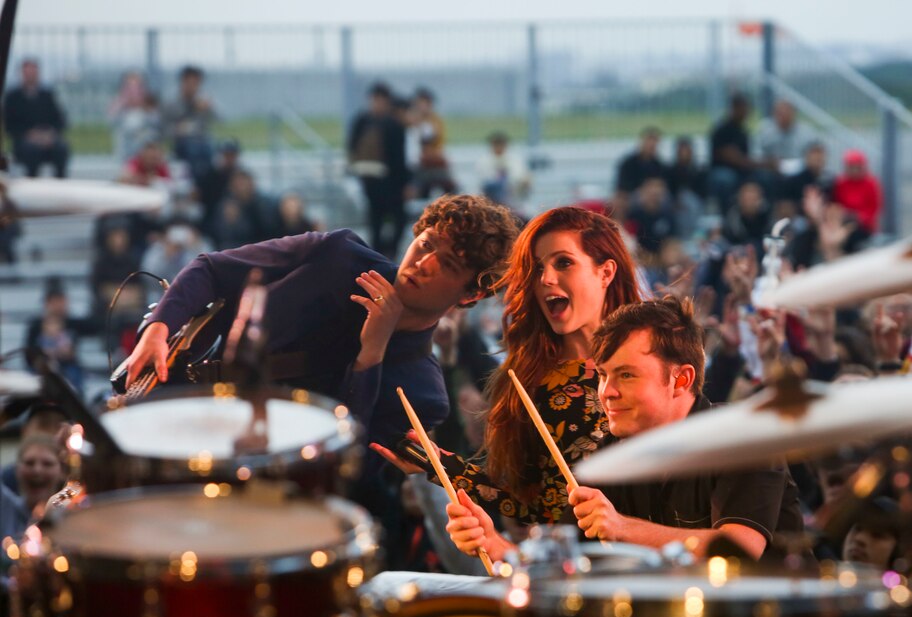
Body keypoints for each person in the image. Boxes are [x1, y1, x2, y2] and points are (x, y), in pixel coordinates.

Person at [121, 194, 520, 475]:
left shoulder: (424, 394)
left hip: (248, 478)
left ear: (472, 295)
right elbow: (212, 269)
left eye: (447, 264)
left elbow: (349, 470)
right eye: (425, 243)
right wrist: (159, 327)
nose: (423, 263)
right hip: (178, 404)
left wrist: (371, 357)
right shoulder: (338, 253)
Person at [444, 296, 802, 561]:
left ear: (681, 380)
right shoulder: (612, 451)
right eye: (602, 375)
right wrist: (494, 544)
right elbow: (561, 567)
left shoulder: (745, 437)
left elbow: (738, 549)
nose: (606, 392)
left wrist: (622, 527)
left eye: (626, 375)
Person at [373, 206, 643, 527]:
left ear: (606, 272)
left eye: (564, 263)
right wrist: (440, 465)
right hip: (575, 564)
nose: (546, 279)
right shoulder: (532, 378)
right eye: (537, 268)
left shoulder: (653, 356)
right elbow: (539, 506)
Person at [348, 82, 410, 258]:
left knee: (377, 220)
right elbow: (399, 158)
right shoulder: (394, 124)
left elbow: (352, 147)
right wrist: (405, 183)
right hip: (386, 182)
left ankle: (378, 255)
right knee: (393, 218)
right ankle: (385, 253)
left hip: (371, 179)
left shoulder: (361, 120)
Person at [3, 58, 69, 178]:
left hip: (47, 138)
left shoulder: (47, 95)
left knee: (62, 148)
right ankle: (32, 184)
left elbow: (60, 119)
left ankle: (61, 184)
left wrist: (50, 134)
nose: (31, 76)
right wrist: (29, 135)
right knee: (31, 151)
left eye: (33, 72)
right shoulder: (12, 97)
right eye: (28, 72)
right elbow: (9, 125)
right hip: (24, 141)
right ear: (22, 74)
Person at [161, 65, 217, 177]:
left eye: (196, 83)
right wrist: (177, 130)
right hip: (180, 144)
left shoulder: (202, 101)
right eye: (190, 83)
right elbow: (163, 130)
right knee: (194, 150)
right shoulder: (171, 104)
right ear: (183, 82)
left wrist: (209, 108)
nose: (193, 87)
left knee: (210, 149)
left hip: (202, 143)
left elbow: (220, 120)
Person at [476, 130, 531, 211]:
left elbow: (521, 179)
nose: (499, 147)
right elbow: (485, 184)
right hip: (491, 203)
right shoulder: (484, 161)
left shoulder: (514, 160)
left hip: (514, 201)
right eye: (496, 144)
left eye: (501, 144)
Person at [832, 149, 882, 237]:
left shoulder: (870, 183)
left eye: (857, 167)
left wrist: (860, 217)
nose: (855, 170)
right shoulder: (841, 182)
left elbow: (874, 207)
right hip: (844, 221)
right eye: (852, 167)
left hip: (865, 225)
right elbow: (837, 204)